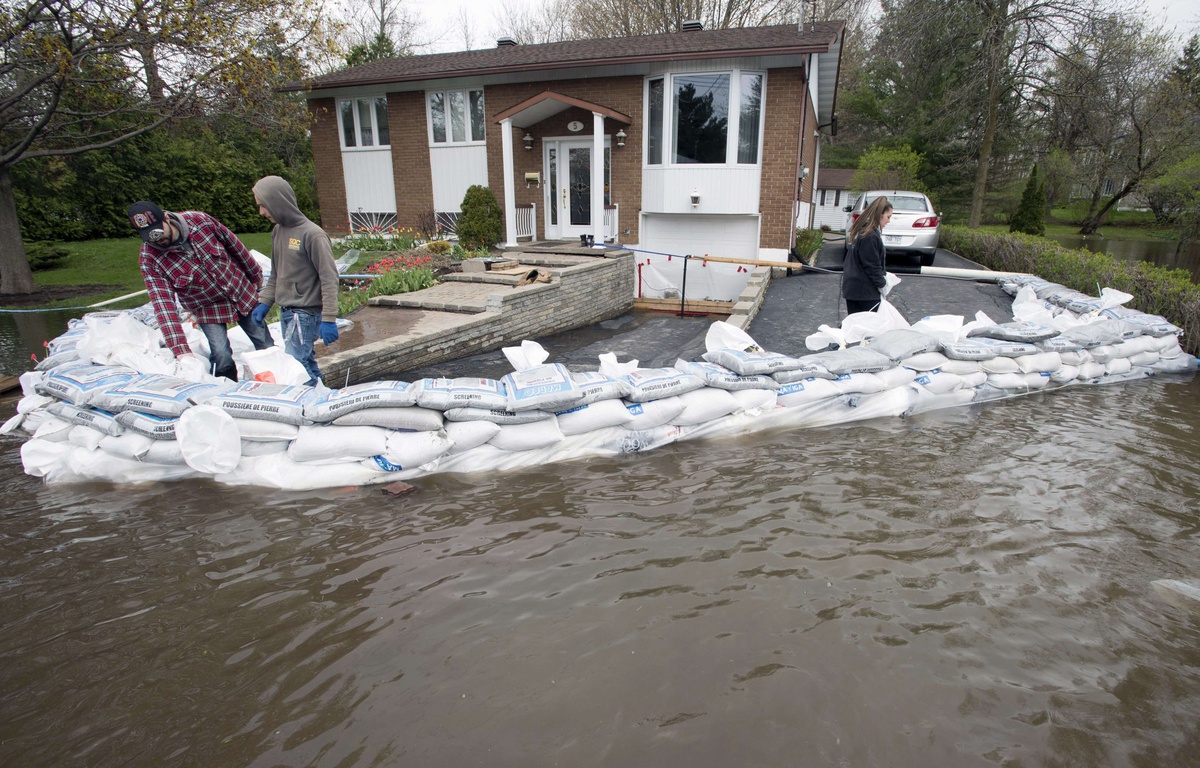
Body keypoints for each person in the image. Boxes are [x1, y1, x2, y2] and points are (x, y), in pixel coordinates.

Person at [128, 200, 275, 381]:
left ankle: (281, 380)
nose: (157, 239)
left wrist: (255, 275)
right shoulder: (149, 258)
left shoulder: (200, 221)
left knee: (265, 344)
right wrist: (181, 350)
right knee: (221, 356)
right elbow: (163, 305)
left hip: (239, 289)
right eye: (149, 236)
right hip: (206, 306)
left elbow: (235, 246)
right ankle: (226, 390)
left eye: (158, 232)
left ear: (166, 218)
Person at [250, 176, 340, 386]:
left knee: (296, 364)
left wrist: (328, 318)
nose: (261, 212)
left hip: (305, 313)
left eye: (263, 206)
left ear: (277, 201)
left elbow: (329, 278)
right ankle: (322, 396)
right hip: (287, 312)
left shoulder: (312, 235)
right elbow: (276, 273)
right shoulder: (278, 232)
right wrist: (265, 302)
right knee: (302, 360)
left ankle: (309, 402)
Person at [842, 196, 893, 315]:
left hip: (854, 289)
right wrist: (883, 285)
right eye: (888, 217)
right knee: (868, 329)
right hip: (865, 293)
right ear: (880, 214)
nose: (889, 221)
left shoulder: (863, 232)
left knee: (856, 327)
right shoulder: (870, 236)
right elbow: (872, 266)